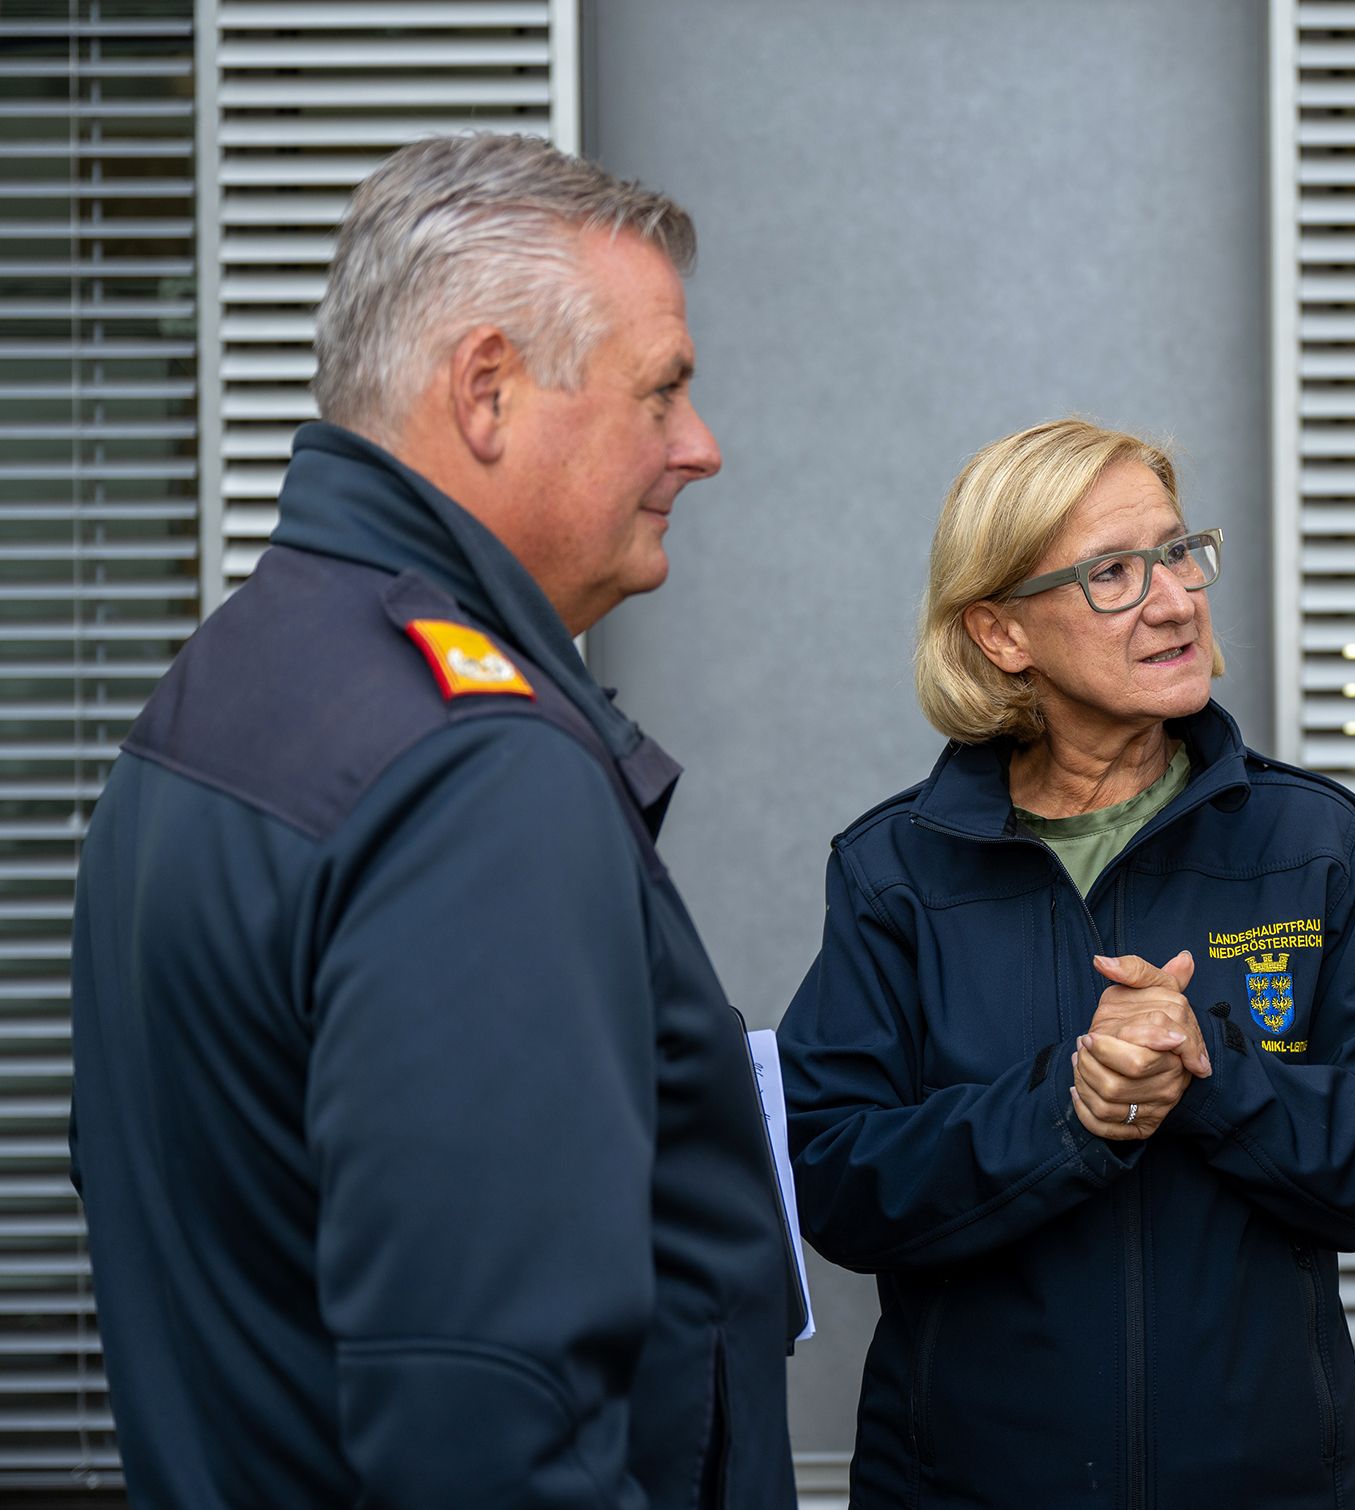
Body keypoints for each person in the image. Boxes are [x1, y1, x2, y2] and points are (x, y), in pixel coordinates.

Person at [68, 133, 801, 1507]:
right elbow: (490, 1425)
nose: (699, 448)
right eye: (662, 393)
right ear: (486, 391)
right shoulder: (475, 772)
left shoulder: (230, 682)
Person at [777, 418, 1355, 1507]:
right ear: (1001, 633)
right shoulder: (895, 871)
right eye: (1111, 572)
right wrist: (1066, 1108)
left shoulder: (1309, 844)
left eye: (1178, 550)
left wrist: (1214, 1072)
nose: (1175, 597)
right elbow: (834, 1177)